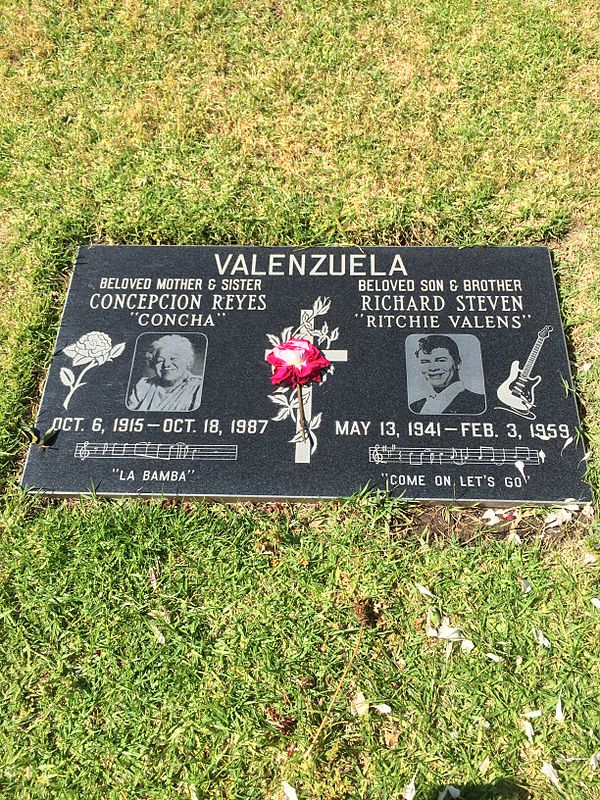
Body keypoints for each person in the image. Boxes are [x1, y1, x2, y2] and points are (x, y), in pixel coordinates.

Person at [409, 334, 485, 414]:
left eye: (440, 361)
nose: (433, 368)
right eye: (425, 362)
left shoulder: (480, 403)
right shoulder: (414, 407)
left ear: (458, 363)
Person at [128, 335, 203, 411]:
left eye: (173, 358)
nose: (166, 364)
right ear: (153, 364)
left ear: (187, 361)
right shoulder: (143, 386)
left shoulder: (199, 387)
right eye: (160, 360)